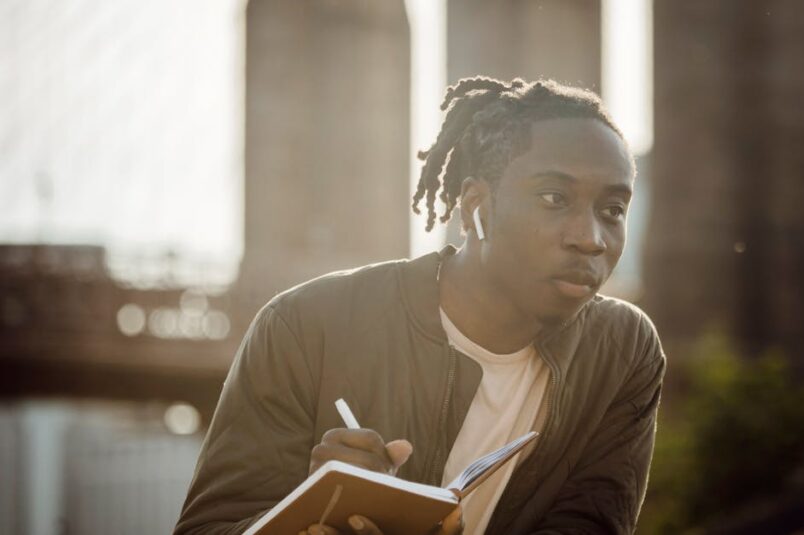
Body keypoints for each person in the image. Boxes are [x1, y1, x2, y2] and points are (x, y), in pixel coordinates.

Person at [175, 77, 666, 535]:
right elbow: (211, 526)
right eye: (554, 198)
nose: (590, 239)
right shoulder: (306, 327)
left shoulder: (623, 352)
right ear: (477, 208)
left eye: (613, 211)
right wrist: (312, 511)